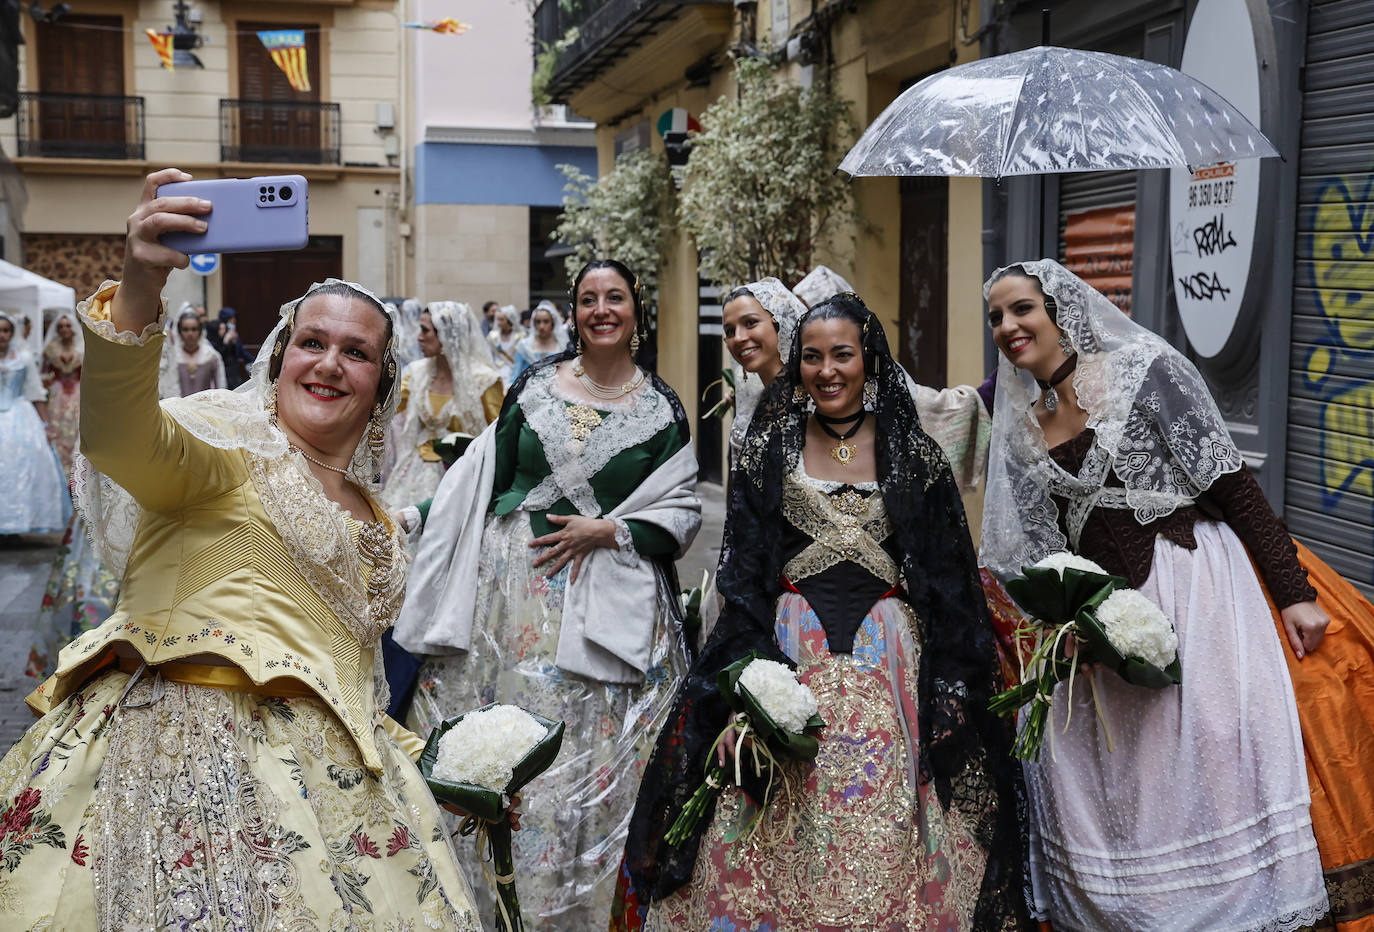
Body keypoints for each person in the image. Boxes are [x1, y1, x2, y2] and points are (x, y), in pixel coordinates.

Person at [3, 169, 482, 928]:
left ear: (383, 384)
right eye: (310, 343)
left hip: (337, 795)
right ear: (279, 356)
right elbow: (120, 435)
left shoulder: (381, 517)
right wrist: (138, 282)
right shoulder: (221, 443)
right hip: (174, 757)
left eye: (355, 353)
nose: (328, 363)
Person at [620, 293, 1029, 932]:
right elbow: (744, 584)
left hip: (891, 669)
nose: (828, 370)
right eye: (812, 357)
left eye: (843, 354)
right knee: (773, 823)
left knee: (891, 828)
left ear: (868, 358)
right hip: (787, 658)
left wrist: (952, 696)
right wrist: (744, 693)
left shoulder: (915, 457)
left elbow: (950, 584)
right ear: (797, 364)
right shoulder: (766, 451)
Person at [981, 259, 1331, 930]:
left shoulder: (1145, 369)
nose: (1007, 325)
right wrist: (1071, 626)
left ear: (1061, 309)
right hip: (1101, 622)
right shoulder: (1024, 426)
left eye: (1021, 308)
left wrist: (1294, 594)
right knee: (1120, 776)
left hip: (1195, 586)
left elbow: (1234, 486)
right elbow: (1038, 549)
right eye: (996, 316)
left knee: (1213, 742)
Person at [394, 258, 702, 929]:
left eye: (614, 297)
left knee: (580, 764)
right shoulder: (533, 384)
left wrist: (612, 528)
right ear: (574, 312)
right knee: (499, 745)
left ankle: (571, 906)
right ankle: (484, 901)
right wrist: (423, 527)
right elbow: (484, 472)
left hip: (606, 597)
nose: (601, 310)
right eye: (588, 298)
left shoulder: (661, 407)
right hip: (510, 594)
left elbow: (682, 512)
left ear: (635, 310)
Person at [384, 300, 502, 506]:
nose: (418, 337)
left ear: (446, 334)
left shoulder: (484, 380)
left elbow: (499, 434)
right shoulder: (417, 372)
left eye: (425, 330)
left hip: (462, 477)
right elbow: (385, 408)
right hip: (415, 472)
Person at [720, 278, 807, 462]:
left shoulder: (809, 400)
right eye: (729, 331)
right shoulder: (754, 405)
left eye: (750, 322)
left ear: (778, 321)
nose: (739, 338)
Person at [0, 311, 70, 535]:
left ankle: (16, 524)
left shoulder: (24, 357)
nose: (1, 335)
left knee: (21, 467)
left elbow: (35, 391)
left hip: (19, 415)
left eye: (6, 330)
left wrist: (46, 425)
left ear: (12, 333)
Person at [40, 310, 83, 476]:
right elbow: (43, 372)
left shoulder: (82, 346)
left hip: (78, 393)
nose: (64, 329)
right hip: (57, 393)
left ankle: (76, 471)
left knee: (76, 427)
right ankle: (59, 470)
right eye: (60, 326)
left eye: (67, 325)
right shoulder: (51, 348)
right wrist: (47, 382)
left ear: (73, 327)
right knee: (57, 428)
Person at [158, 304, 226, 399]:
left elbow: (221, 389)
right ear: (180, 332)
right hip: (178, 409)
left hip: (206, 409)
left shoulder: (211, 356)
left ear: (200, 330)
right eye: (185, 329)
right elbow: (169, 388)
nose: (190, 334)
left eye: (194, 329)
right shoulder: (174, 357)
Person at [509, 300, 567, 382]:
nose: (541, 326)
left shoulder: (561, 345)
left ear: (552, 323)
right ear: (534, 323)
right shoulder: (524, 345)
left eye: (546, 321)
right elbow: (516, 372)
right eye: (538, 322)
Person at [212, 305, 253, 388]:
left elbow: (242, 351)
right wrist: (226, 342)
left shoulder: (233, 333)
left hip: (234, 372)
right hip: (223, 372)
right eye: (231, 318)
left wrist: (255, 361)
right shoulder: (216, 333)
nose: (234, 320)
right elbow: (217, 354)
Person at [487, 304, 524, 389]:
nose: (498, 322)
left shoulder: (520, 336)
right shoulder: (493, 336)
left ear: (509, 320)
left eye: (501, 320)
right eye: (498, 319)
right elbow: (489, 355)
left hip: (515, 371)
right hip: (496, 370)